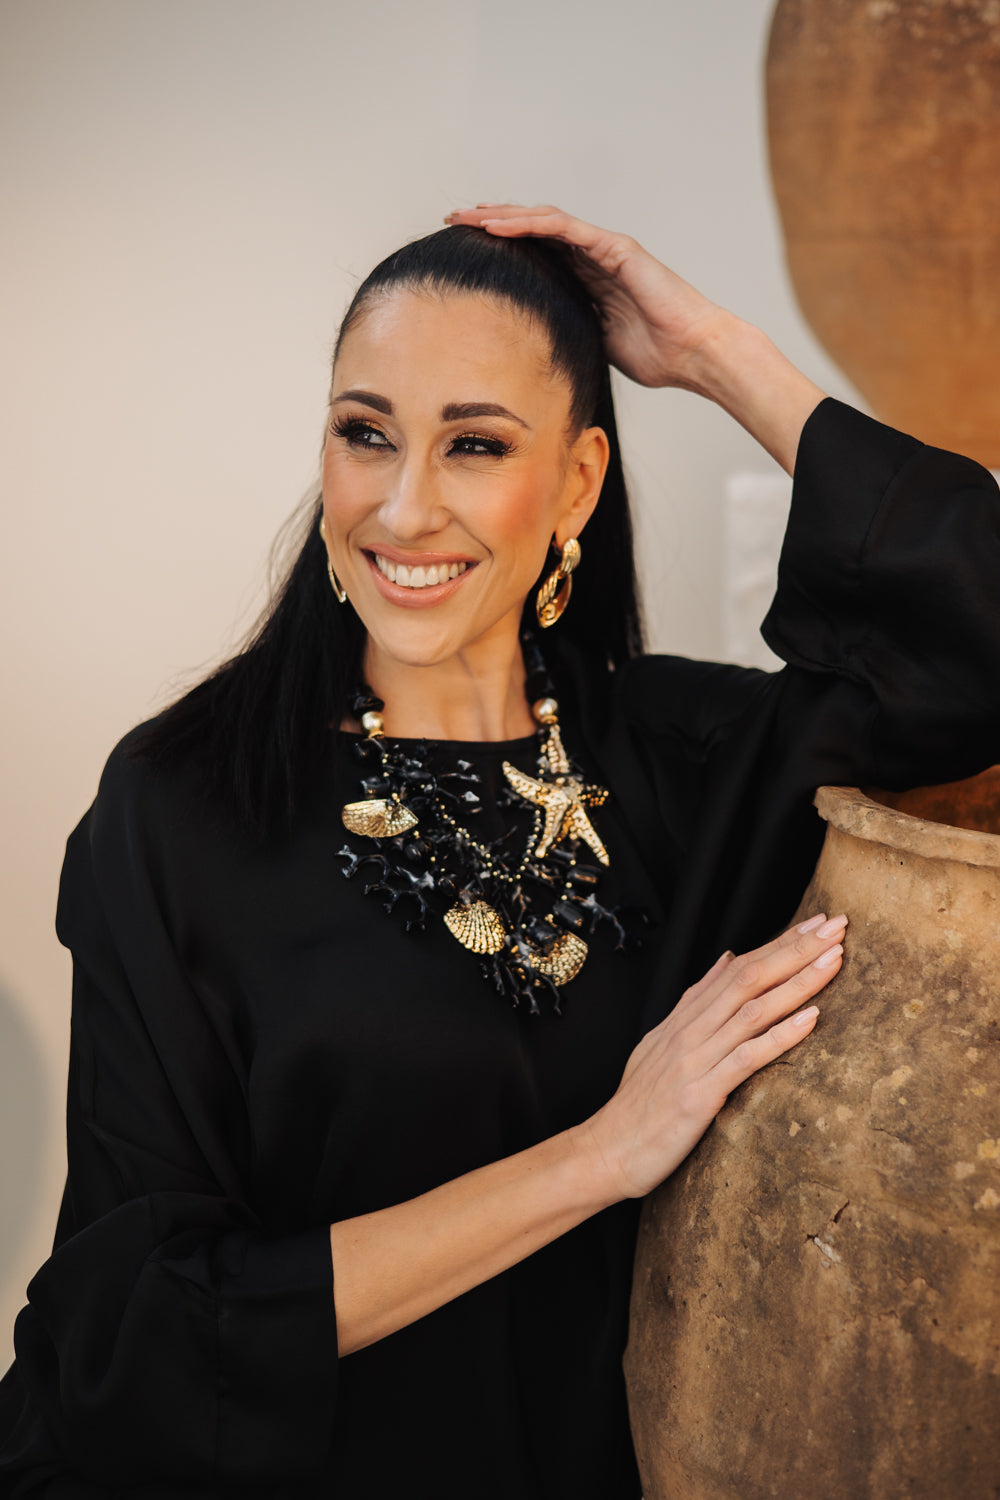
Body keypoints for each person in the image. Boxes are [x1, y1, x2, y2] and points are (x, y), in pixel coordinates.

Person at [1, 202, 998, 1500]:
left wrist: (714, 352)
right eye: (366, 433)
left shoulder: (682, 761)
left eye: (475, 445)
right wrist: (603, 1153)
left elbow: (979, 633)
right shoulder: (182, 805)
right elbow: (135, 1335)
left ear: (578, 483)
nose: (405, 506)